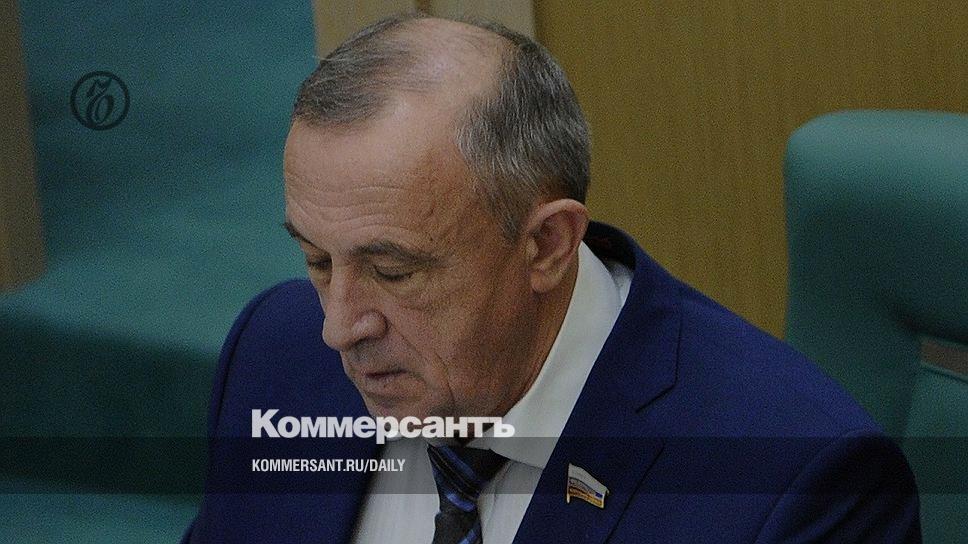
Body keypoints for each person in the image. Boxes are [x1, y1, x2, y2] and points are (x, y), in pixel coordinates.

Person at [182, 13, 921, 543]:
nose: (340, 327)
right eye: (317, 261)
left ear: (546, 245)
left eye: (393, 271)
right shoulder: (273, 357)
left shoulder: (793, 485)